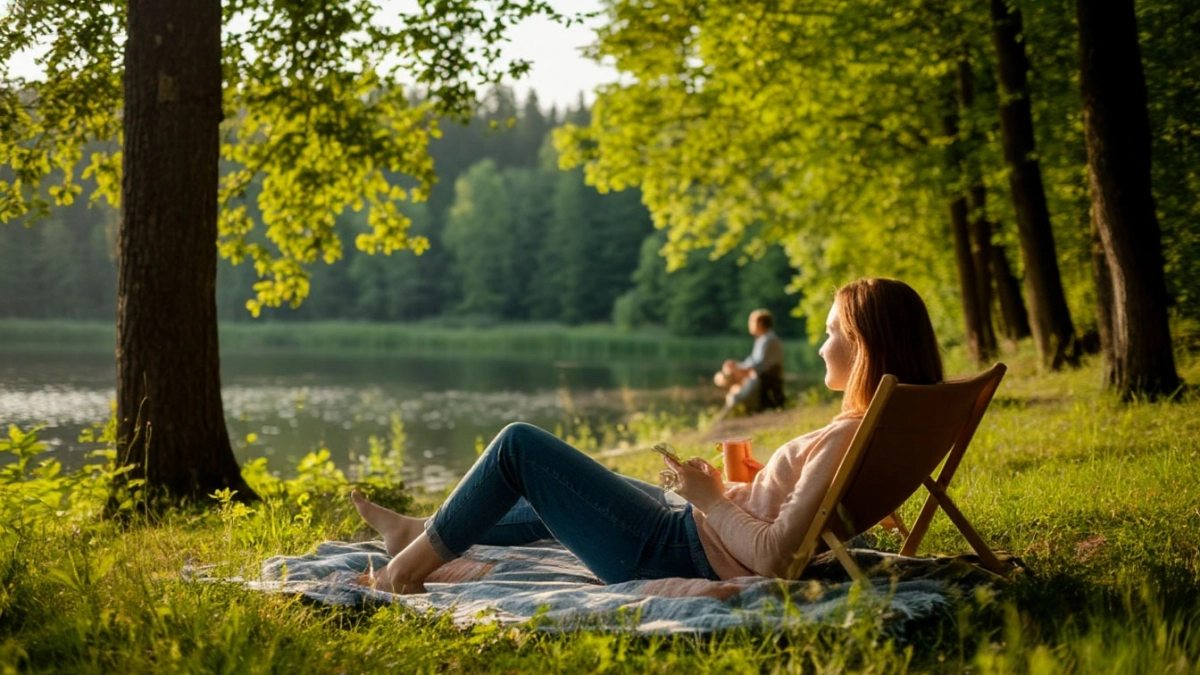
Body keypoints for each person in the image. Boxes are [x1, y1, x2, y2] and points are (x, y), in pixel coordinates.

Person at [352, 278, 944, 592]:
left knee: (518, 446)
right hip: (697, 536)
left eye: (830, 332)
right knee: (572, 485)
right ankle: (416, 533)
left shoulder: (848, 437)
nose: (819, 346)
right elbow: (794, 516)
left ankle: (404, 571)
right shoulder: (885, 426)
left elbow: (779, 558)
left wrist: (709, 499)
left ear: (862, 344)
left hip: (676, 552)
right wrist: (736, 486)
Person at [713, 309, 785, 414]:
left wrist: (738, 368)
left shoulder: (768, 339)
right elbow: (753, 360)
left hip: (763, 378)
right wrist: (736, 365)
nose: (749, 324)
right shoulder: (763, 339)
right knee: (731, 376)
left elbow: (758, 364)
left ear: (760, 323)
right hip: (759, 376)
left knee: (734, 394)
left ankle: (724, 414)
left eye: (751, 321)